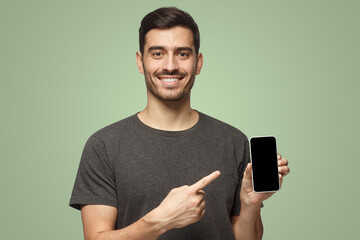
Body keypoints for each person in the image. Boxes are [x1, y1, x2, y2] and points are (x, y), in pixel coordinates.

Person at [69, 7, 290, 240]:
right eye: (157, 53)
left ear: (198, 62)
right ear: (140, 62)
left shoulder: (233, 141)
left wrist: (250, 204)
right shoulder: (104, 145)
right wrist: (160, 221)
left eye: (183, 53)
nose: (171, 65)